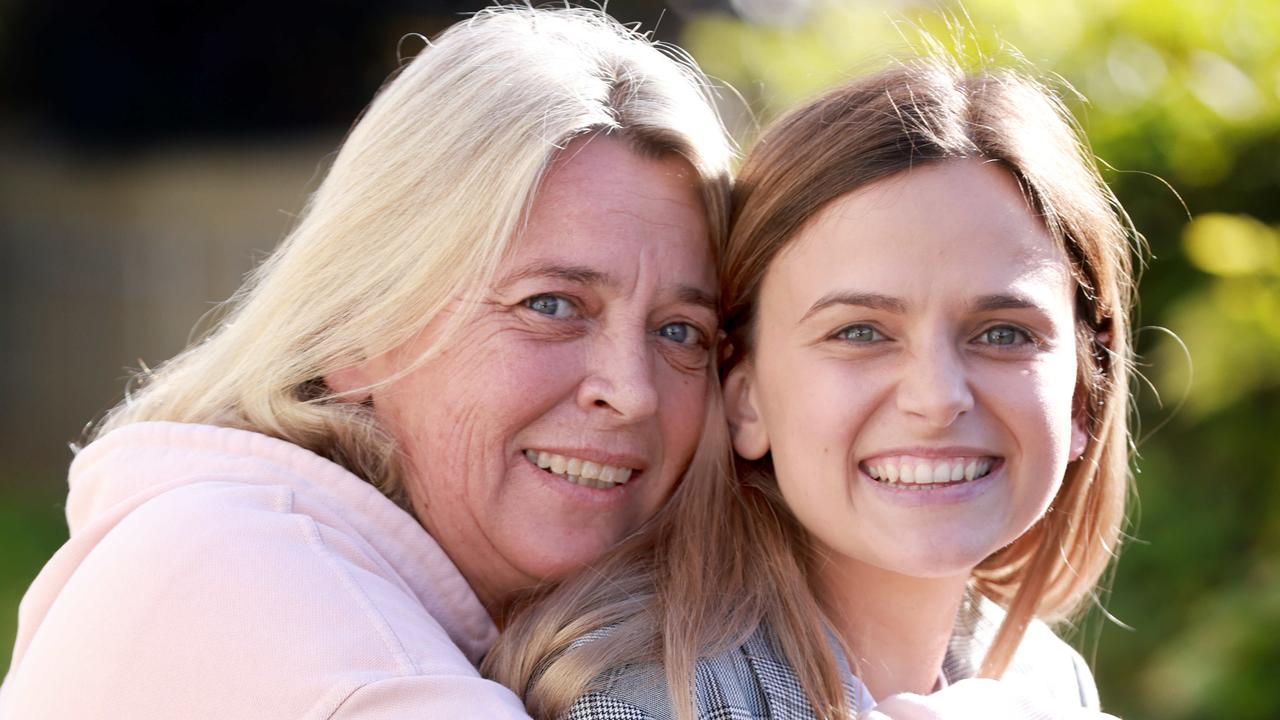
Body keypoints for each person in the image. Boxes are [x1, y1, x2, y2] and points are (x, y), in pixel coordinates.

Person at [0, 6, 734, 718]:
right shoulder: (262, 586)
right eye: (550, 305)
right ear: (359, 323)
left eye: (680, 331)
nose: (631, 392)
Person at [485, 56, 1136, 719]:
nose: (938, 397)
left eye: (1002, 334)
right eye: (859, 332)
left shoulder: (1050, 682)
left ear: (1087, 391)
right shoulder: (640, 696)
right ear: (745, 396)